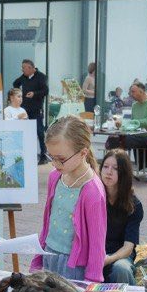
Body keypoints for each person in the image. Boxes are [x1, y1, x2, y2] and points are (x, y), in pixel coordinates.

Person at [39, 116, 107, 282]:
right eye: (51, 157)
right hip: (48, 255)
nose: (55, 164)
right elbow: (48, 223)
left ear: (83, 153)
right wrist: (38, 257)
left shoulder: (92, 191)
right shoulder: (55, 177)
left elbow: (97, 244)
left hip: (72, 266)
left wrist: (92, 281)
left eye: (61, 159)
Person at [99, 149, 142, 285]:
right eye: (105, 166)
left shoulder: (134, 205)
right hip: (96, 252)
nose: (109, 172)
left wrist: (108, 259)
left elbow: (128, 247)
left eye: (115, 168)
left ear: (124, 173)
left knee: (121, 268)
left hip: (120, 255)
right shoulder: (93, 196)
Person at [14, 58, 49, 164]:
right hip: (24, 109)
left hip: (36, 109)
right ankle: (24, 154)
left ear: (30, 68)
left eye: (23, 68)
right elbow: (15, 83)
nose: (22, 70)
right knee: (23, 131)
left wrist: (34, 94)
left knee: (40, 132)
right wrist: (20, 93)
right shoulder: (23, 77)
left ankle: (43, 155)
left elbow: (45, 91)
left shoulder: (41, 76)